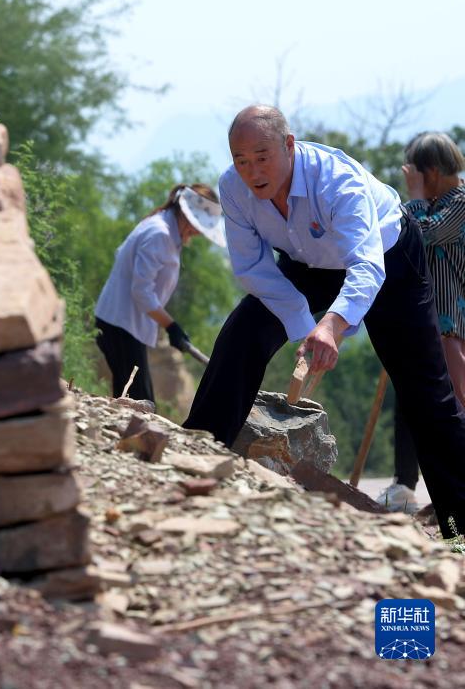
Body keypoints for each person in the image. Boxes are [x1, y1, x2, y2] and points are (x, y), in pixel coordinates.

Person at [183, 105, 465, 539]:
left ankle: (460, 527)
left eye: (263, 157)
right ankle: (196, 453)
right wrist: (303, 327)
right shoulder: (233, 189)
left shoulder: (336, 180)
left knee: (426, 392)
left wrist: (332, 325)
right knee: (245, 331)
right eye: (241, 160)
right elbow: (251, 268)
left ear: (289, 146)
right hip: (306, 262)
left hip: (388, 257)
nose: (253, 171)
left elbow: (367, 268)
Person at [374, 132, 465, 512]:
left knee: (454, 404)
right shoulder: (433, 206)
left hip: (452, 325)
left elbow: (418, 234)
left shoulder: (459, 204)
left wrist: (411, 197)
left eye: (415, 171)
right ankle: (412, 485)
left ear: (430, 171)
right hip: (430, 322)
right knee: (416, 402)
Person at [94, 184, 226, 401]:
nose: (197, 232)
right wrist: (171, 326)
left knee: (132, 397)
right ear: (184, 212)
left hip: (124, 324)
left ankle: (122, 434)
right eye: (195, 224)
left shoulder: (165, 229)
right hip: (120, 324)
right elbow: (141, 291)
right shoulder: (160, 233)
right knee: (139, 401)